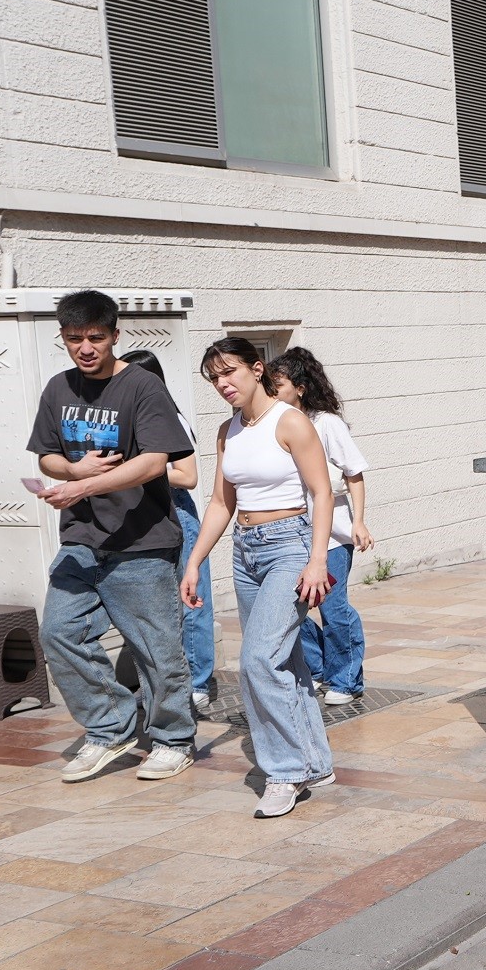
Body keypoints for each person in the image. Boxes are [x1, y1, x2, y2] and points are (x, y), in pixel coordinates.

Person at [31, 292, 198, 784]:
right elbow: (45, 457)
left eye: (95, 338)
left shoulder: (142, 386)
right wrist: (71, 467)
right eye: (74, 339)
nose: (85, 348)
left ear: (115, 335)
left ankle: (173, 740)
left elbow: (155, 461)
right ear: (63, 338)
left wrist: (83, 483)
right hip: (82, 538)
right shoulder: (58, 388)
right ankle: (111, 729)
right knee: (59, 632)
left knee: (155, 649)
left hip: (142, 541)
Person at [181, 337, 336, 819]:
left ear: (256, 368)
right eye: (214, 378)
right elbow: (221, 503)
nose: (222, 384)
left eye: (229, 372)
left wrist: (316, 561)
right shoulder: (228, 431)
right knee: (285, 660)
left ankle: (286, 771)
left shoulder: (290, 422)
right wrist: (194, 561)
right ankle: (315, 761)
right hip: (245, 553)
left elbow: (322, 494)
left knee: (257, 661)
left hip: (290, 548)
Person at [270, 348, 372, 708]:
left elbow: (354, 472)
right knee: (293, 608)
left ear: (298, 388)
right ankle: (317, 668)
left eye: (277, 385)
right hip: (292, 534)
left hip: (332, 535)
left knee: (333, 607)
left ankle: (346, 677)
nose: (270, 390)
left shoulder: (326, 423)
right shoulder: (273, 424)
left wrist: (358, 520)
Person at [118, 350, 214, 713]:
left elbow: (188, 477)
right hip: (144, 520)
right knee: (153, 608)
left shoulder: (170, 417)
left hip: (178, 516)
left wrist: (137, 468)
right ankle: (161, 684)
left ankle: (198, 683)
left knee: (192, 602)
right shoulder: (129, 419)